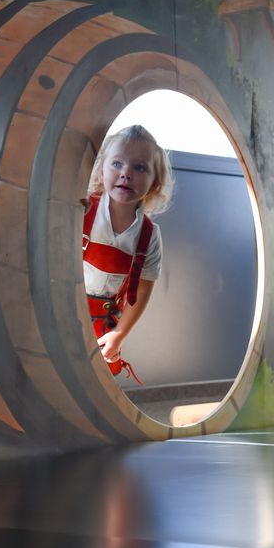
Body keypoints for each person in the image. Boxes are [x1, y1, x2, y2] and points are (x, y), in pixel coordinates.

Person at [82, 124, 173, 384]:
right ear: (102, 170)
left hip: (104, 321)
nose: (126, 173)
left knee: (95, 382)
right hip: (67, 308)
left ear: (154, 183)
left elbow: (141, 293)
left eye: (139, 167)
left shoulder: (149, 235)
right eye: (117, 164)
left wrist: (119, 334)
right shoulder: (83, 209)